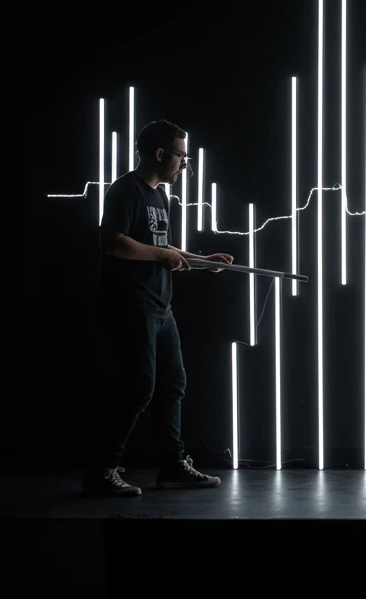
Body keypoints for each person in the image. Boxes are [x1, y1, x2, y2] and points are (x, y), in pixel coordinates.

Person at [81, 119, 234, 497]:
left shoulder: (161, 197)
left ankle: (172, 466)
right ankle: (101, 471)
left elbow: (163, 248)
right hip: (132, 305)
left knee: (173, 384)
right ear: (161, 154)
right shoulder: (126, 190)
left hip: (160, 307)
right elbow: (111, 242)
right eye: (182, 155)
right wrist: (163, 254)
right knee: (139, 388)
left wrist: (202, 260)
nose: (186, 164)